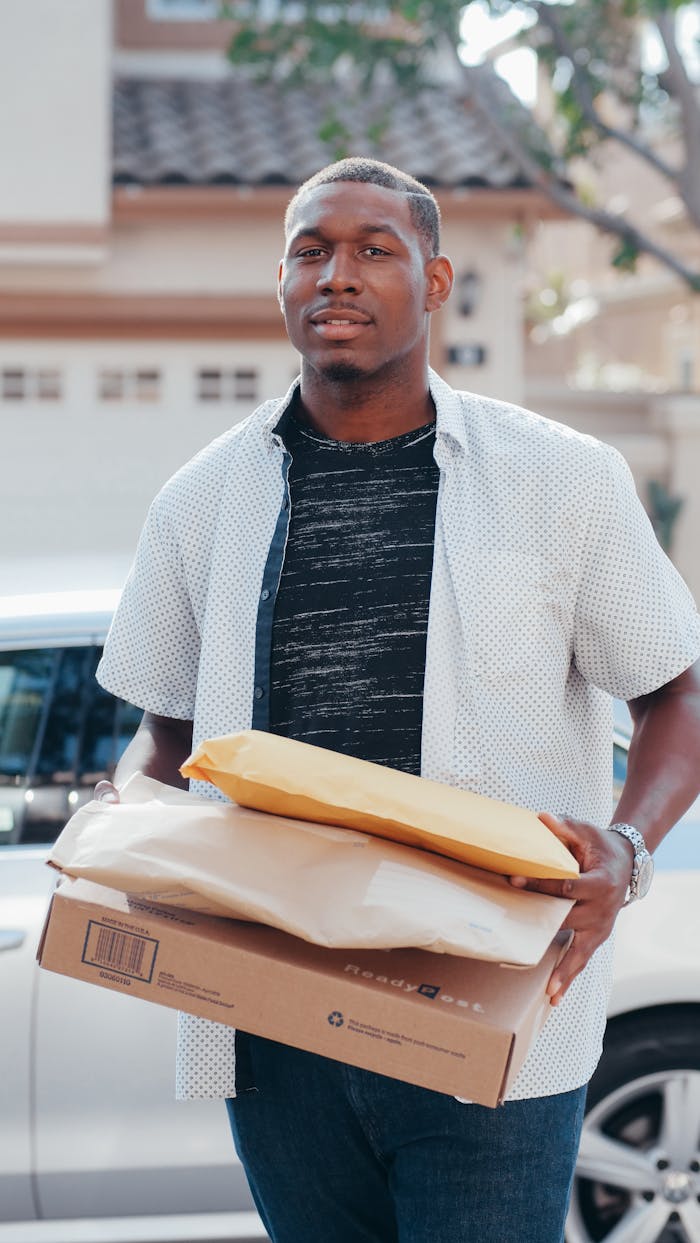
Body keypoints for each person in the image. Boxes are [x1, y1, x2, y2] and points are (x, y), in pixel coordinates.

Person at [96, 158, 700, 1243]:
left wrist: (625, 845)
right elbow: (163, 739)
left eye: (374, 249)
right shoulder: (200, 500)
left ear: (435, 282)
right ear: (280, 283)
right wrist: (133, 844)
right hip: (275, 1011)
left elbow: (676, 692)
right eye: (310, 250)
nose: (338, 275)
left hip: (490, 996)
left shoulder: (560, 477)